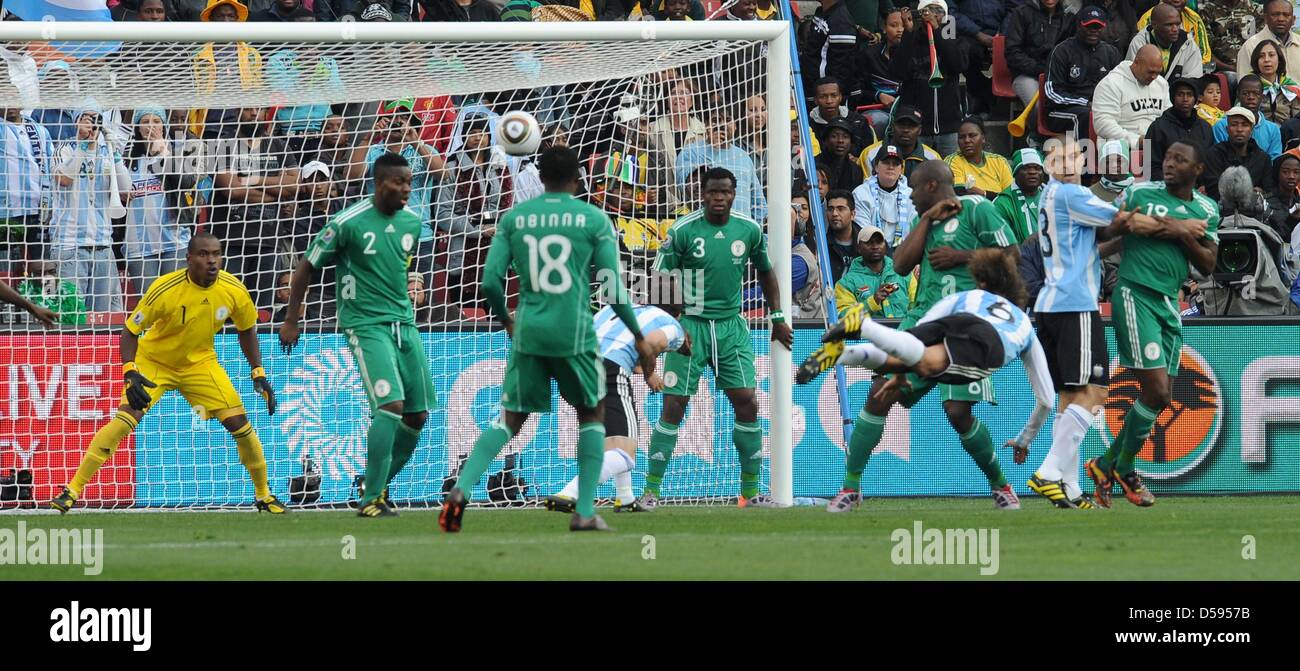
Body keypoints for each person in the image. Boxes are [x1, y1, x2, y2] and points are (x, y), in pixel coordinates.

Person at [442, 147, 653, 531]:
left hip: (529, 329)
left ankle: (461, 491)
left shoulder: (516, 218)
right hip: (574, 331)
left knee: (509, 420)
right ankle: (584, 512)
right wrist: (637, 333)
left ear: (540, 178)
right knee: (591, 415)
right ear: (578, 179)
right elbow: (612, 288)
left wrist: (507, 319)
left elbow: (489, 281)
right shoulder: (593, 219)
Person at [805, 160, 1019, 512]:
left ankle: (1001, 486)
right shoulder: (925, 221)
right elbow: (901, 265)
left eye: (915, 189)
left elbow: (1013, 254)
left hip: (966, 325)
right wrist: (925, 219)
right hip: (922, 322)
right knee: (878, 394)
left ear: (932, 186)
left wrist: (961, 256)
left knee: (957, 411)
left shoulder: (977, 209)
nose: (911, 195)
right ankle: (850, 488)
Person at [799, 248, 1052, 511]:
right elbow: (1045, 399)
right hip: (988, 344)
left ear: (981, 282)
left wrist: (899, 375)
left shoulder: (966, 296)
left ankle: (844, 353)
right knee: (930, 367)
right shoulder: (1022, 322)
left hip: (951, 320)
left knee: (929, 368)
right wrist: (1024, 439)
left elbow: (911, 343)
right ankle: (863, 326)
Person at [51, 233, 285, 514]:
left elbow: (247, 329)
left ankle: (264, 495)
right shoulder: (165, 289)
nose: (211, 261)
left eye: (216, 254)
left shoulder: (233, 290)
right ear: (189, 259)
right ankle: (71, 490)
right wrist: (130, 371)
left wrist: (257, 372)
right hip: (154, 362)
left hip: (200, 365)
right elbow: (130, 331)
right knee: (125, 421)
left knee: (240, 424)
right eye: (203, 254)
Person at [281, 153, 434, 517]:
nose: (407, 190)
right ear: (380, 183)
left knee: (417, 415)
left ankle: (373, 484)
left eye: (410, 183)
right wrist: (292, 318)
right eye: (400, 183)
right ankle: (371, 501)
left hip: (404, 324)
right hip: (364, 325)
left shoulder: (413, 223)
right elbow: (305, 269)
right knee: (390, 406)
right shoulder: (346, 222)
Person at [631, 167, 793, 511]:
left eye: (725, 192)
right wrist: (670, 324)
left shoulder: (747, 229)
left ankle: (749, 494)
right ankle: (651, 491)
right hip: (690, 326)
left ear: (734, 194)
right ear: (702, 194)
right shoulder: (683, 231)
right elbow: (660, 277)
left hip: (731, 328)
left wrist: (777, 316)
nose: (719, 198)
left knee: (747, 401)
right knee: (674, 405)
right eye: (712, 192)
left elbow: (765, 270)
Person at [1088, 141, 1219, 508]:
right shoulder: (1140, 192)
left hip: (1169, 303)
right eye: (1169, 158)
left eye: (1181, 159)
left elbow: (1209, 264)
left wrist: (1178, 232)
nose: (1170, 164)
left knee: (1161, 396)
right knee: (1158, 391)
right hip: (1135, 293)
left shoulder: (1207, 209)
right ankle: (1126, 471)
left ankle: (1105, 464)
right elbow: (1107, 233)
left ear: (1197, 170)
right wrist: (1165, 226)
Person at [1027, 138, 1156, 508]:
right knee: (1096, 392)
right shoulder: (1072, 195)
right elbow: (1122, 217)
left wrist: (1122, 237)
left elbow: (1093, 245)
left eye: (1073, 158)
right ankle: (1048, 473)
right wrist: (1172, 221)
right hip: (1075, 304)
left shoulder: (1051, 196)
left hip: (1053, 303)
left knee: (1070, 397)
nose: (1067, 164)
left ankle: (1068, 488)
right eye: (1059, 159)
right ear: (1049, 165)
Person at [545, 300, 689, 512]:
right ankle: (570, 492)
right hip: (607, 368)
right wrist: (650, 373)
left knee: (615, 436)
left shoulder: (618, 307)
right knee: (625, 453)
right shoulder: (671, 325)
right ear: (678, 313)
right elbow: (650, 341)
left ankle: (625, 497)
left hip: (573, 366)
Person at [50, 104, 129, 314]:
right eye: (87, 118)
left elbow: (126, 189)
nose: (92, 124)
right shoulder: (63, 149)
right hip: (70, 245)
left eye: (96, 118)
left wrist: (117, 156)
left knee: (101, 319)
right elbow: (64, 179)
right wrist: (83, 146)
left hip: (103, 245)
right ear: (76, 121)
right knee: (70, 317)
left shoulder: (107, 151)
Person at [123, 107, 195, 300]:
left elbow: (187, 182)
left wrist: (163, 152)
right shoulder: (128, 156)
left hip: (174, 241)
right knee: (149, 305)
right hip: (140, 246)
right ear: (137, 127)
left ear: (164, 125)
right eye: (145, 122)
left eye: (156, 121)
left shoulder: (178, 149)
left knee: (174, 303)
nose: (151, 127)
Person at [891, 0, 966, 155]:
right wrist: (909, 33)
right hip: (916, 127)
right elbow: (898, 72)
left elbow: (958, 65)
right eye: (928, 10)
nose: (933, 15)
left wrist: (937, 32)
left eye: (938, 11)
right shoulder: (909, 40)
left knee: (947, 173)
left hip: (948, 126)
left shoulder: (955, 40)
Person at [1045, 7, 1122, 138]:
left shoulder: (1111, 52)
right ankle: (1086, 157)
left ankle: (1118, 155)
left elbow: (1122, 86)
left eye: (1098, 27)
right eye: (1089, 26)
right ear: (1079, 25)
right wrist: (1085, 102)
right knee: (1087, 115)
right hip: (1062, 110)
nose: (1093, 31)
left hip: (1100, 107)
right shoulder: (1061, 51)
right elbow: (1052, 93)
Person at [1092, 44, 1169, 148]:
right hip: (1119, 145)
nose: (1154, 77)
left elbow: (1169, 117)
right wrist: (1137, 141)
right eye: (1150, 72)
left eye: (1158, 73)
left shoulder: (1161, 83)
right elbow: (1103, 124)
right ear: (1136, 62)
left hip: (1155, 144)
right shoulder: (1111, 84)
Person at [1004, 0, 1076, 107]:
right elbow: (1012, 52)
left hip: (1058, 77)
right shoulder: (1022, 13)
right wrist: (1038, 69)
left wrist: (1057, 71)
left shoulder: (1070, 17)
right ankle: (1036, 124)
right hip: (1027, 75)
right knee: (1038, 107)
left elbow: (1072, 51)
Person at [833, 225, 914, 318]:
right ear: (859, 248)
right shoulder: (846, 283)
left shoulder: (903, 273)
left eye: (879, 242)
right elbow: (843, 317)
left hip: (902, 331)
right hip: (867, 333)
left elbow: (918, 307)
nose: (875, 246)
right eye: (869, 243)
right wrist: (873, 301)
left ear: (885, 245)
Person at [1145, 77, 1214, 182]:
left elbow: (1209, 163)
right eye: (1180, 94)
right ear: (1173, 98)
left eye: (1189, 95)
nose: (1185, 99)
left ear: (1196, 98)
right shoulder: (1156, 127)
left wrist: (1204, 185)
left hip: (1199, 190)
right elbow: (1148, 165)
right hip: (1165, 188)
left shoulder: (1206, 127)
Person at [1204, 106, 1274, 200]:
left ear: (1252, 130)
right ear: (1227, 129)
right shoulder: (1214, 154)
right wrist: (1249, 192)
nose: (1239, 129)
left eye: (1245, 125)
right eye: (1234, 124)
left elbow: (1269, 191)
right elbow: (1213, 188)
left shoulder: (1263, 158)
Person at [853, 145, 914, 250]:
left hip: (904, 253)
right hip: (872, 252)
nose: (891, 167)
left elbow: (914, 231)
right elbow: (863, 232)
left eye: (895, 164)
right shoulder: (861, 193)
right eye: (886, 162)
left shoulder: (912, 196)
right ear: (876, 167)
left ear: (901, 170)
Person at [858, 104, 942, 180]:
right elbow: (866, 190)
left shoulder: (933, 158)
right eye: (901, 125)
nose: (906, 130)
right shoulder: (870, 154)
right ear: (893, 126)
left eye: (911, 126)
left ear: (920, 130)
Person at [860, 7, 906, 138]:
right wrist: (878, 95)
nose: (900, 30)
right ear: (884, 28)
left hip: (908, 114)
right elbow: (857, 90)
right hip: (878, 111)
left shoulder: (916, 55)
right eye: (894, 25)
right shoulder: (869, 55)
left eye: (904, 25)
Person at [1126, 2, 1203, 80]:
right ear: (1154, 25)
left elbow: (1193, 80)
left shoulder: (1188, 43)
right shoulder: (1140, 43)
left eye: (1177, 24)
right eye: (1169, 25)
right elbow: (1132, 78)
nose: (1175, 29)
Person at [1213, 75, 1284, 159]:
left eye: (1256, 93)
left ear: (1262, 97)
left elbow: (1274, 160)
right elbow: (1218, 157)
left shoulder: (1273, 129)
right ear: (1238, 95)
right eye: (1245, 93)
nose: (1251, 97)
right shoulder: (1221, 125)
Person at [945, 116, 1012, 198]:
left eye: (972, 135)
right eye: (962, 137)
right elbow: (959, 193)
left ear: (983, 138)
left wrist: (984, 194)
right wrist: (995, 196)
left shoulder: (1000, 162)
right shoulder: (953, 161)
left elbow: (1011, 197)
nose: (967, 140)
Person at [1134, 0, 1212, 69]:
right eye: (1169, 25)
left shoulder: (1194, 19)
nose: (1177, 0)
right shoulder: (1148, 20)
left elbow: (1204, 56)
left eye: (1177, 24)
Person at [992, 148, 1046, 244]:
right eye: (1026, 168)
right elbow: (1001, 244)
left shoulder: (1053, 196)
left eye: (1037, 168)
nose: (1032, 172)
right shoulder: (1002, 203)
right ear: (1015, 173)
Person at [808, 77, 875, 155]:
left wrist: (858, 161)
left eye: (833, 95)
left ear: (840, 97)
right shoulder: (807, 125)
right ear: (815, 100)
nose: (829, 101)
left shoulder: (859, 121)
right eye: (823, 97)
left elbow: (868, 153)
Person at [1237, 0, 1300, 78]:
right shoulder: (1250, 46)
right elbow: (1245, 85)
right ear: (1265, 18)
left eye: (1286, 15)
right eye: (1275, 15)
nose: (1281, 19)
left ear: (1293, 20)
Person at [1200, 0, 1265, 73]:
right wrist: (1229, 68)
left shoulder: (1256, 9)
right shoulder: (1207, 11)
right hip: (1220, 70)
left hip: (1253, 68)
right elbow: (1204, 50)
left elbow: (1264, 44)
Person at [16, 260, 86, 326]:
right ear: (30, 277)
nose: (48, 277)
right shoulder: (21, 299)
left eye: (52, 272)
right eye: (40, 273)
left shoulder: (71, 294)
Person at [1249, 40, 1300, 124]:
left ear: (1279, 59)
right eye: (1261, 56)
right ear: (1256, 61)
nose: (1266, 60)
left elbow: (1298, 119)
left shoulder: (1289, 87)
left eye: (1271, 55)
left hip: (1286, 135)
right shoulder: (1249, 85)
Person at [821, 189, 861, 282]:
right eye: (830, 209)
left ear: (853, 214)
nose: (834, 214)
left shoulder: (867, 242)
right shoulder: (821, 245)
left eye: (840, 209)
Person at [820, 119, 865, 192]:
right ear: (826, 140)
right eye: (834, 136)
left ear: (851, 142)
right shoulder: (814, 165)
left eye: (845, 136)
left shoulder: (856, 170)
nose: (840, 140)